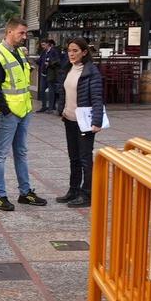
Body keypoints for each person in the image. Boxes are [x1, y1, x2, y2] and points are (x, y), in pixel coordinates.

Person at [0, 18, 46, 212]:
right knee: (1, 155)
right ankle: (0, 196)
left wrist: (27, 108)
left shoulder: (19, 53)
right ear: (9, 32)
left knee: (21, 152)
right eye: (21, 33)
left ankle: (25, 192)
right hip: (9, 114)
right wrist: (5, 110)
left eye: (25, 33)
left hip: (24, 111)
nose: (24, 37)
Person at [58, 37, 106, 208]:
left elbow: (97, 98)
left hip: (85, 122)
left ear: (84, 52)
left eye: (75, 51)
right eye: (69, 51)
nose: (71, 54)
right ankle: (73, 189)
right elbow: (63, 91)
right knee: (74, 158)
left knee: (85, 158)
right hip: (69, 119)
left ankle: (87, 194)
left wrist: (97, 121)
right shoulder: (68, 69)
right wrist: (61, 109)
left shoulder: (91, 72)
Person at [36, 37, 64, 112]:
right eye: (42, 45)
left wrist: (50, 63)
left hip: (51, 74)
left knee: (51, 91)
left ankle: (51, 108)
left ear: (48, 44)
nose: (43, 46)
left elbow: (58, 61)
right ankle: (44, 106)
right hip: (43, 73)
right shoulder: (43, 52)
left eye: (44, 45)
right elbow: (40, 60)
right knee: (42, 90)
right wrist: (37, 61)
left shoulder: (54, 51)